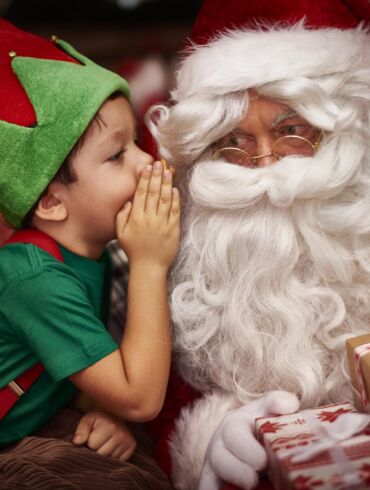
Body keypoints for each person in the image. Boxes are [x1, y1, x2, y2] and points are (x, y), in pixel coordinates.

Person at [146, 0, 370, 488]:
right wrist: (206, 440)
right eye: (236, 142)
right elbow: (161, 415)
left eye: (292, 132)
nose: (266, 166)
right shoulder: (180, 255)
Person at [0, 19, 180, 489]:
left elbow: (69, 368)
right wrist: (150, 262)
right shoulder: (33, 277)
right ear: (52, 202)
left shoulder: (94, 251)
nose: (147, 162)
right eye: (116, 155)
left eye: (137, 142)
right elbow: (140, 398)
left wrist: (101, 407)